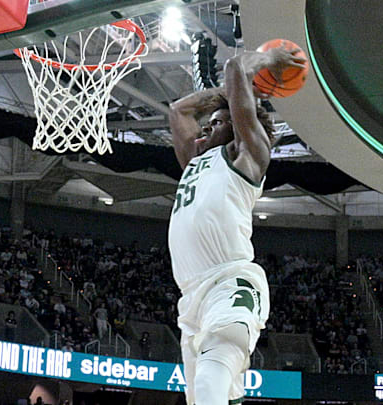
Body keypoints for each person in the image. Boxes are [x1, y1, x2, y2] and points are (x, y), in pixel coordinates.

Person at [168, 44, 306, 405]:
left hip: (230, 280)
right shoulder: (195, 162)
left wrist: (264, 63)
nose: (203, 132)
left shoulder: (248, 156)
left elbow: (234, 67)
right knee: (207, 397)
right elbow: (178, 110)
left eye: (215, 125)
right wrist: (222, 98)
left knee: (213, 380)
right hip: (192, 298)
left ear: (237, 127)